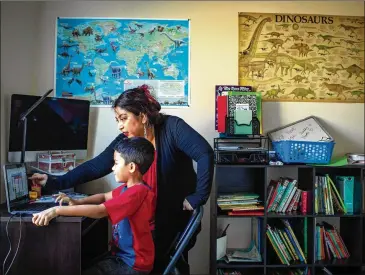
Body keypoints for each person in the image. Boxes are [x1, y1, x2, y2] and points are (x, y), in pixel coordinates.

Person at [30, 85, 214, 274]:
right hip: (144, 229)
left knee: (169, 265)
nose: (120, 125)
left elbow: (205, 154)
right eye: (118, 120)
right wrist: (54, 182)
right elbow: (96, 166)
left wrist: (198, 196)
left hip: (171, 223)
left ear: (142, 116)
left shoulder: (172, 128)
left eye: (124, 118)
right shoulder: (128, 141)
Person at [32, 137, 156, 275]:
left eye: (116, 163)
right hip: (123, 256)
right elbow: (103, 197)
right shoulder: (127, 189)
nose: (112, 168)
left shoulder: (137, 192)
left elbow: (100, 210)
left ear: (131, 167)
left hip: (133, 263)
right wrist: (78, 202)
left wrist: (56, 210)